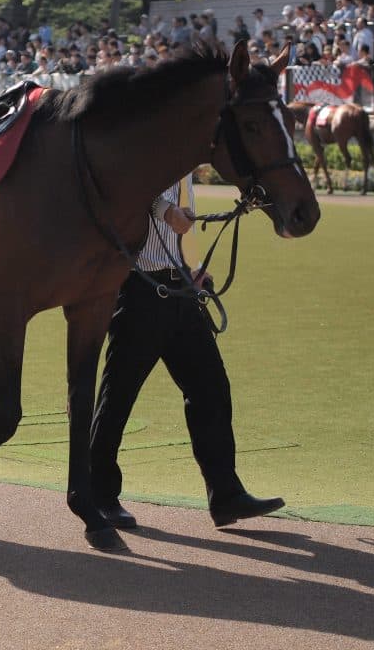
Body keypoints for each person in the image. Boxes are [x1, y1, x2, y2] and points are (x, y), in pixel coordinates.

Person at [90, 175, 285, 529]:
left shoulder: (185, 151)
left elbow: (183, 218)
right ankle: (99, 496)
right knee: (118, 397)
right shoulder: (148, 133)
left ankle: (226, 495)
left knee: (211, 388)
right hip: (139, 291)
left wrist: (192, 269)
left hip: (181, 289)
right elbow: (126, 187)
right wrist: (163, 210)